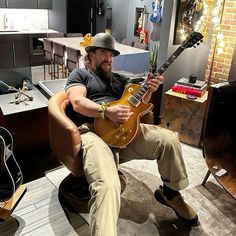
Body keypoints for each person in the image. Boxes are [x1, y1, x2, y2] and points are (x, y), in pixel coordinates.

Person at [65, 32, 198, 236]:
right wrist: (106, 111)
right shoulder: (80, 75)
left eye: (111, 55)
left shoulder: (119, 79)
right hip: (93, 132)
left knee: (169, 139)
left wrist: (150, 89)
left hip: (125, 130)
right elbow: (77, 102)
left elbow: (137, 102)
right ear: (90, 54)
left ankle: (170, 193)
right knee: (108, 185)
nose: (108, 59)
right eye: (103, 53)